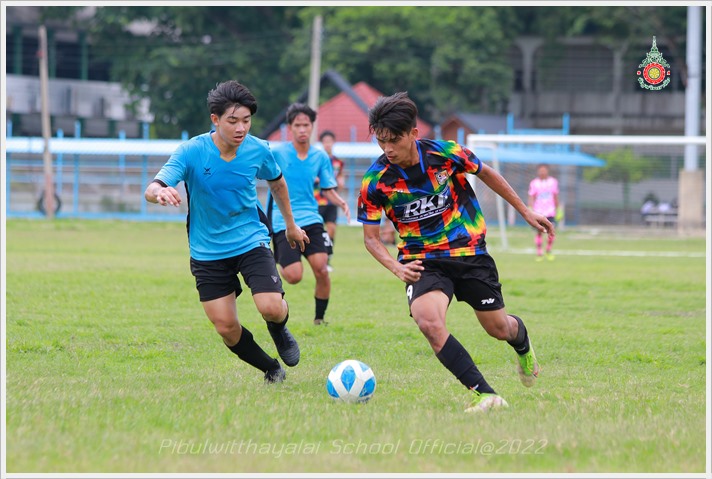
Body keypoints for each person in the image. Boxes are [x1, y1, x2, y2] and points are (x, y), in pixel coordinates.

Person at [357, 92, 552, 413]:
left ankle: (523, 343)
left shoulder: (445, 154)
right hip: (422, 262)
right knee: (428, 322)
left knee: (499, 329)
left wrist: (525, 211)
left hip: (469, 251)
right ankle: (485, 394)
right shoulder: (376, 181)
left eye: (393, 140)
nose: (387, 149)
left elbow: (486, 172)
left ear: (413, 134)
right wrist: (396, 268)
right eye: (381, 141)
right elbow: (371, 239)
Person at [144, 80, 309, 384]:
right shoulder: (192, 150)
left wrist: (290, 225)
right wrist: (159, 193)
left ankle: (279, 329)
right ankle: (271, 369)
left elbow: (277, 182)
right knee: (226, 327)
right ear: (215, 119)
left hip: (250, 238)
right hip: (207, 250)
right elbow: (153, 187)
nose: (241, 128)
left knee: (271, 307)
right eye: (233, 120)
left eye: (246, 120)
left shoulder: (258, 149)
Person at [268, 104, 350, 326]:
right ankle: (277, 259)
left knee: (322, 270)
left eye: (306, 125)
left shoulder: (320, 156)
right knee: (294, 277)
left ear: (312, 126)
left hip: (312, 218)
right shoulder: (276, 153)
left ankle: (319, 319)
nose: (302, 129)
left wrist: (340, 201)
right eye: (298, 125)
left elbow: (327, 188)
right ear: (290, 127)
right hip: (283, 219)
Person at [315, 130, 346, 271]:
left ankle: (328, 258)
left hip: (331, 202)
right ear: (322, 143)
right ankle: (318, 259)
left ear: (333, 143)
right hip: (317, 201)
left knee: (332, 229)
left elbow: (340, 177)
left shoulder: (338, 162)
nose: (328, 144)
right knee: (317, 230)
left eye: (330, 141)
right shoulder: (316, 160)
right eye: (325, 141)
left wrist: (340, 183)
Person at [528, 163, 559, 261]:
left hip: (550, 211)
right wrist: (530, 208)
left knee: (551, 231)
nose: (542, 172)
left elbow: (555, 196)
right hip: (538, 212)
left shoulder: (553, 182)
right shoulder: (534, 183)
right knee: (539, 231)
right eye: (540, 170)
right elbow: (531, 196)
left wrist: (558, 209)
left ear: (547, 171)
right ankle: (539, 253)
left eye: (544, 170)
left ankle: (548, 251)